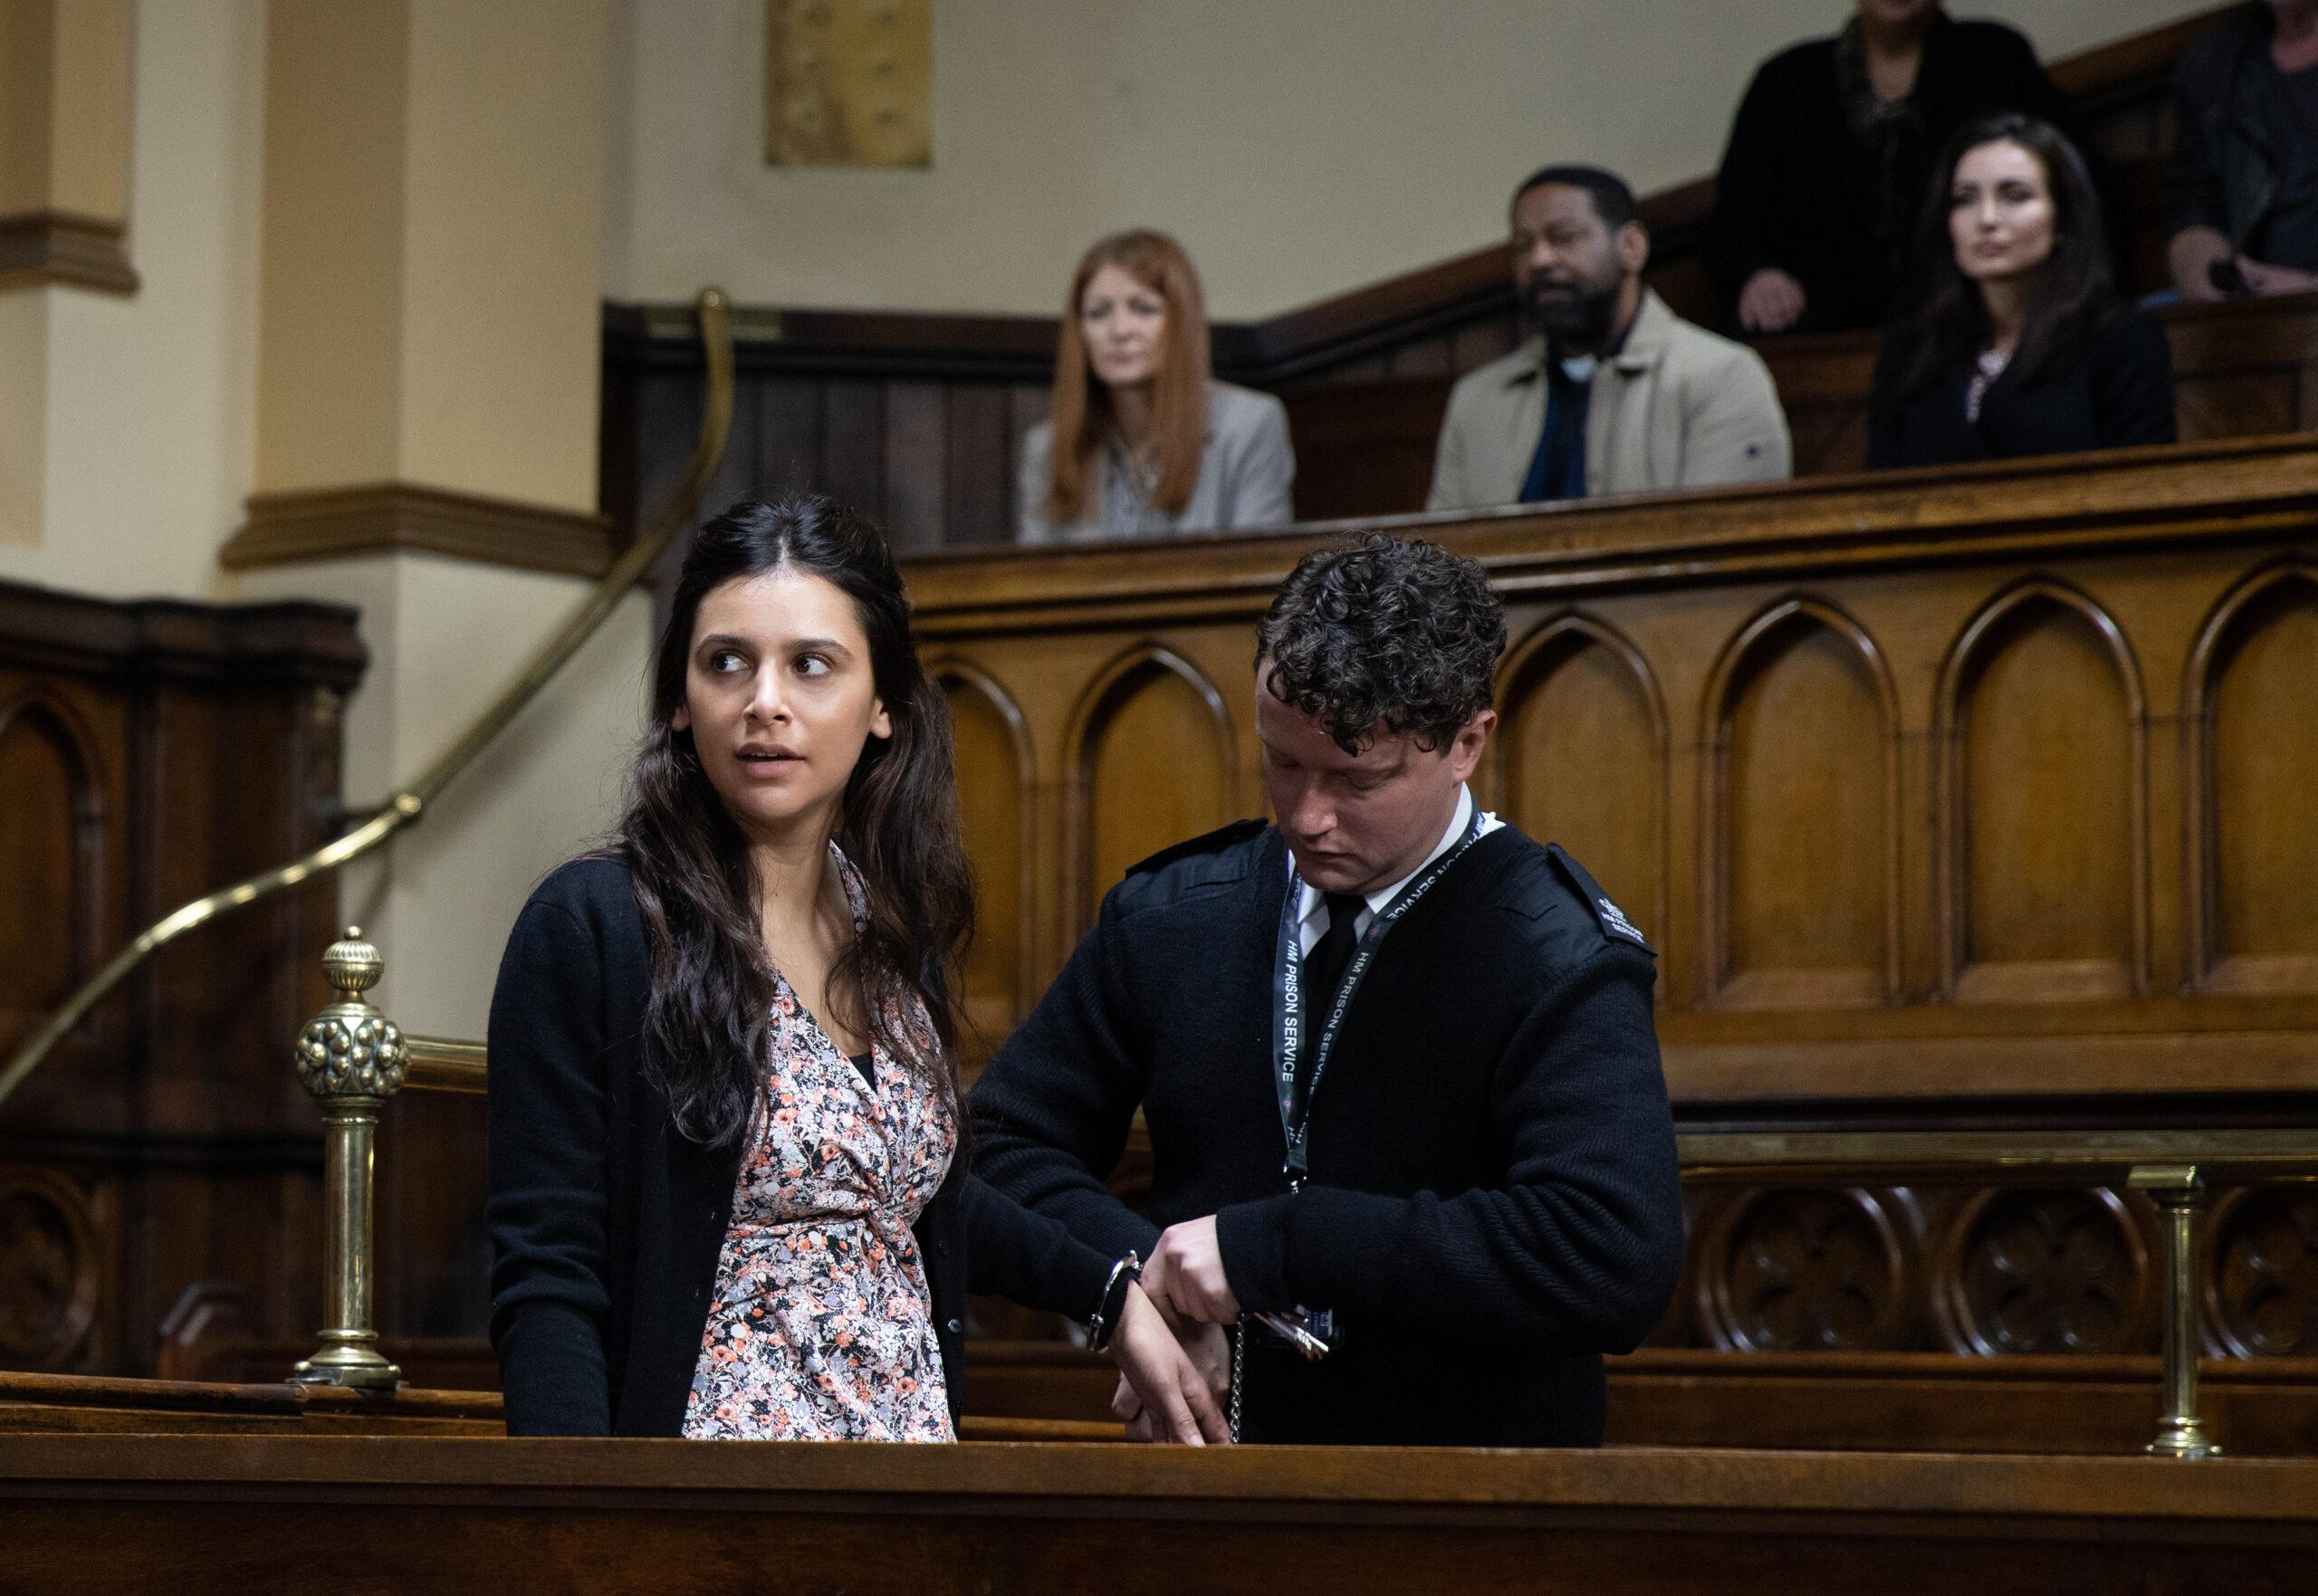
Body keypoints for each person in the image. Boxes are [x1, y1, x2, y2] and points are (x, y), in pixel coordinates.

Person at [485, 496, 1227, 1444]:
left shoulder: (882, 925)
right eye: (726, 662)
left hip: (905, 1482)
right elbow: (550, 1274)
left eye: (810, 663)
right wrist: (578, 1539)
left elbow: (916, 1192)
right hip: (706, 1502)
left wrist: (1111, 1292)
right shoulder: (596, 924)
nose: (764, 700)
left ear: (882, 705)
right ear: (679, 700)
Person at [969, 533, 1686, 1448]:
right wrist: (1141, 1279)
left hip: (1471, 1502)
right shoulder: (1174, 913)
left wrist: (1283, 1246)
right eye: (1282, 761)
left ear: (1468, 739)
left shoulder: (1556, 952)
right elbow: (997, 1144)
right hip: (1210, 1485)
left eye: (1358, 777)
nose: (1305, 814)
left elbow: (1611, 1257)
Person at [1427, 165, 1790, 513]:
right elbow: (1440, 564)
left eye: (1564, 237)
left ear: (1631, 246)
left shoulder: (1721, 376)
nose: (1539, 260)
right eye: (1522, 245)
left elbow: (1722, 551)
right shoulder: (1477, 399)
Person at [1709, 1, 2076, 336]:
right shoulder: (1785, 81)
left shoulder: (1996, 56)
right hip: (1817, 325)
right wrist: (1756, 274)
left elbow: (2073, 189)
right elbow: (1732, 221)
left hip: (1969, 312)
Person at [1868, 115, 2175, 470]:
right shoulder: (1913, 348)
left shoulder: (2122, 340)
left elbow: (2144, 488)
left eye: (2015, 196)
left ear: (2062, 219)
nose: (1986, 218)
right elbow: (1880, 496)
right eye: (1964, 199)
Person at [1019, 229, 1294, 543]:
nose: (1120, 330)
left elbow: (1260, 571)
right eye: (1099, 312)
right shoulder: (1047, 448)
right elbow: (1039, 581)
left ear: (1181, 321)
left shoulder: (1250, 424)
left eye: (1143, 308)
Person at [2168, 0, 2318, 301]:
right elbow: (2194, 204)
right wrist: (2211, 282)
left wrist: (2310, 287)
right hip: (2258, 311)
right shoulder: (2216, 64)